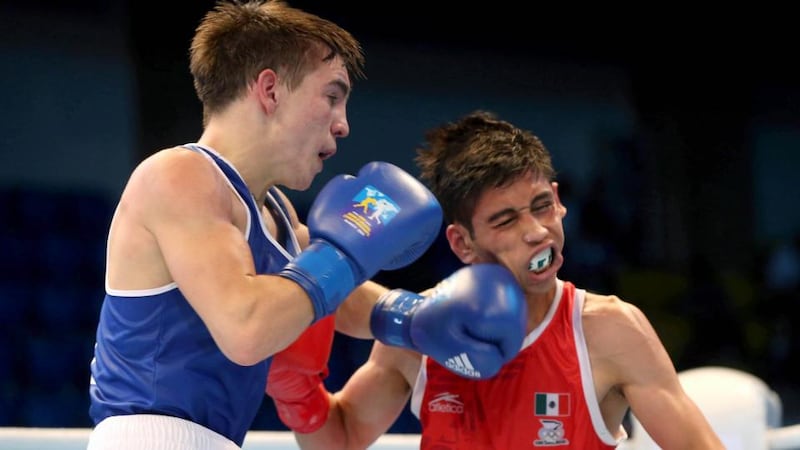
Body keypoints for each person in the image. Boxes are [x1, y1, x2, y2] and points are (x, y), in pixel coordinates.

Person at [86, 2, 529, 449]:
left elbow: (331, 295)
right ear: (270, 90)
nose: (343, 125)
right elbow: (247, 327)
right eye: (332, 97)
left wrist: (411, 317)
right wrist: (343, 254)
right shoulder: (179, 176)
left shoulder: (277, 213)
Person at [283, 111, 726, 449]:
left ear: (558, 199)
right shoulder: (417, 332)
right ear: (462, 243)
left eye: (540, 206)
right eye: (506, 220)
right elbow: (340, 437)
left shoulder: (608, 331)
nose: (536, 231)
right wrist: (295, 390)